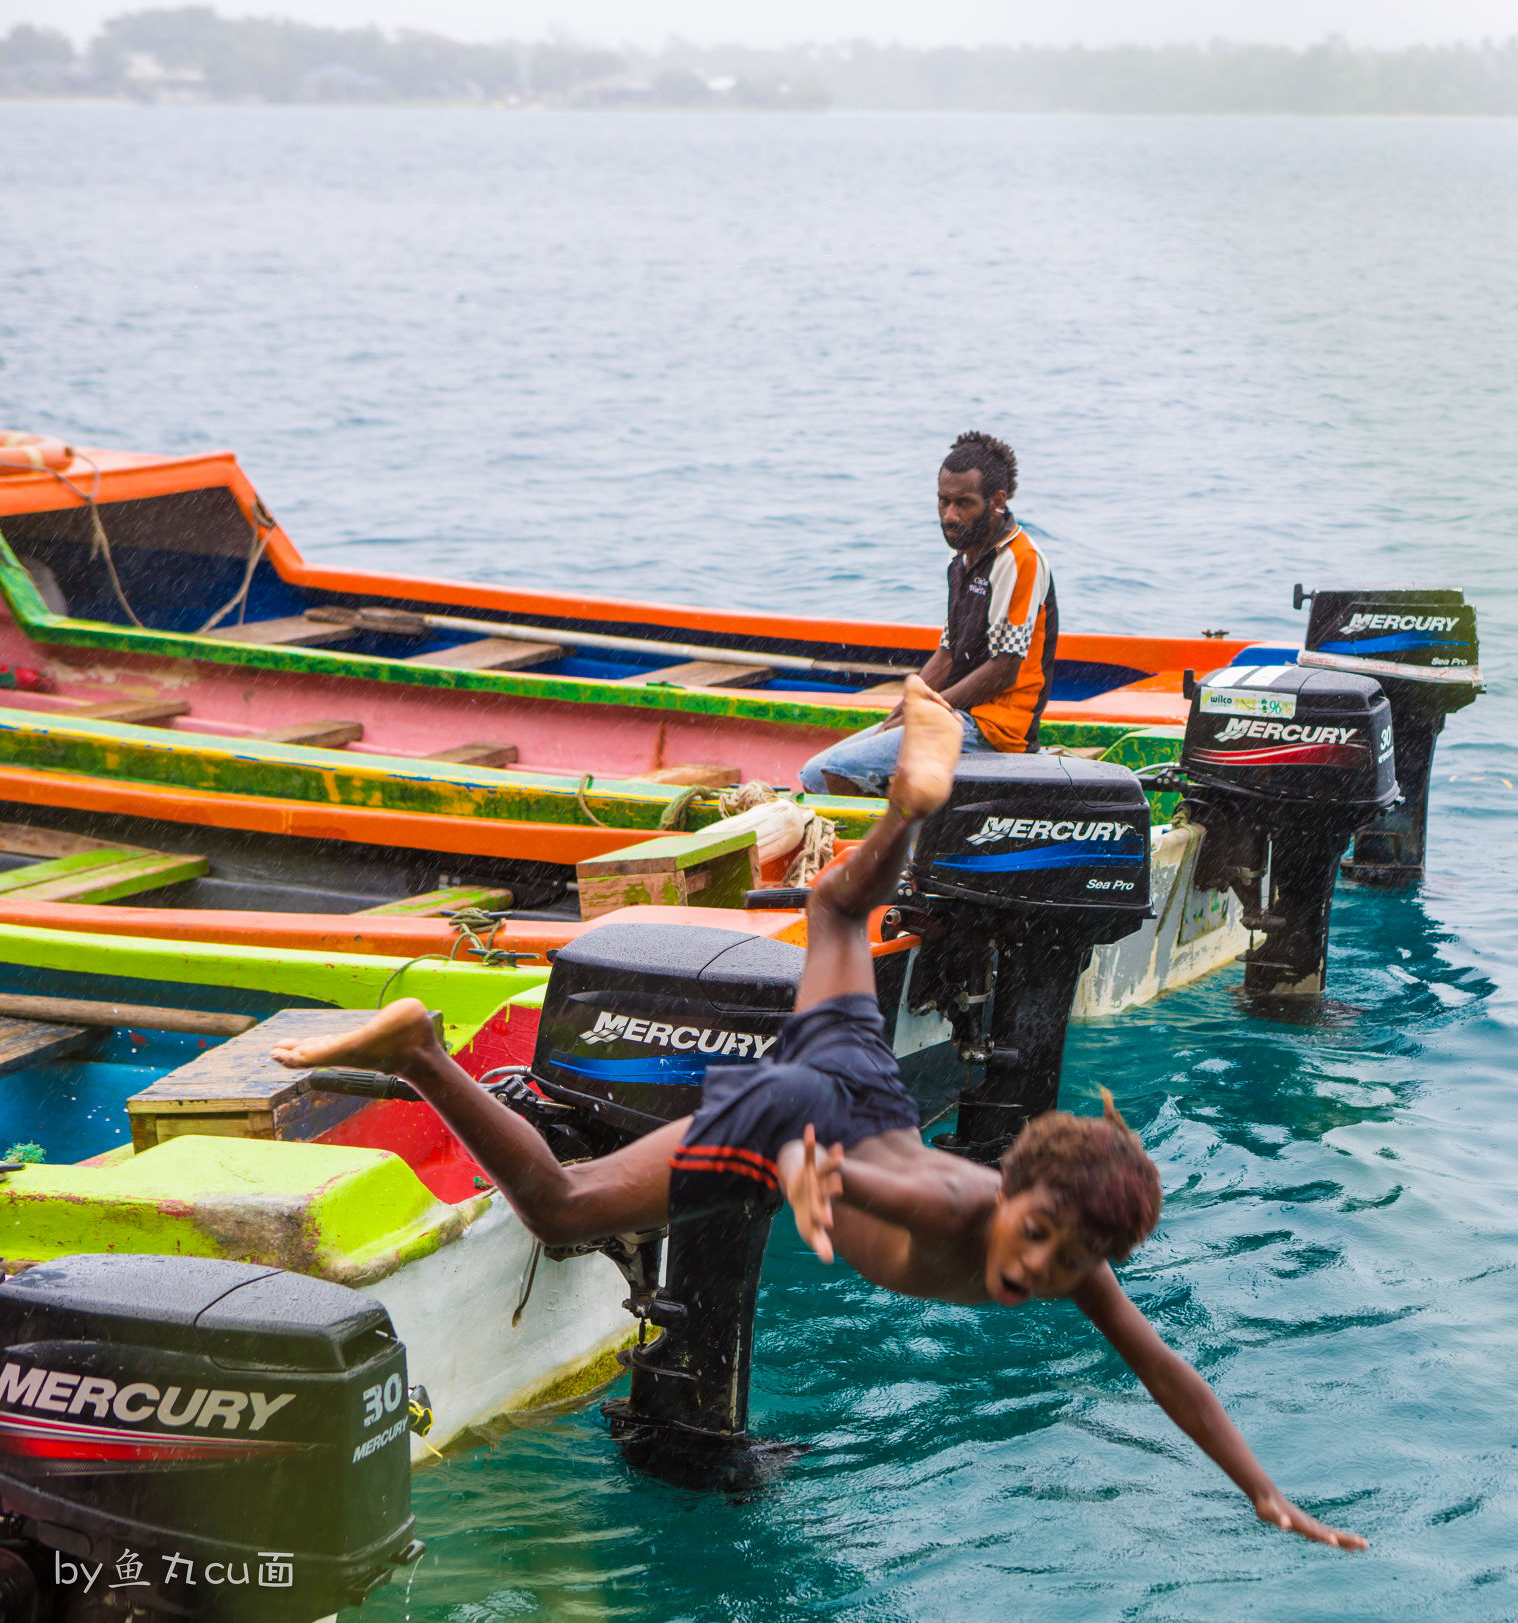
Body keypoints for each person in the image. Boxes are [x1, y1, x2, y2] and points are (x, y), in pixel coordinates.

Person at [270, 677, 1363, 1553]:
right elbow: (837, 1176)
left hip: (865, 1090)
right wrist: (800, 1187)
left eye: (1069, 1256)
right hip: (804, 1113)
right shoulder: (944, 1208)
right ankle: (419, 1048)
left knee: (837, 906)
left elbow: (1169, 1373)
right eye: (1038, 1234)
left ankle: (912, 803)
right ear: (1014, 1193)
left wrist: (1264, 1493)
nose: (1039, 1267)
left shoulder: (1071, 1262)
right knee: (565, 1207)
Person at [806, 431, 1058, 797]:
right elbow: (949, 653)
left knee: (842, 772)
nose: (950, 516)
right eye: (943, 502)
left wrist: (931, 709)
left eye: (964, 504)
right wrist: (901, 711)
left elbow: (1006, 667)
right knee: (816, 775)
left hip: (993, 731)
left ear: (997, 502)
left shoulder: (1020, 560)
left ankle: (894, 849)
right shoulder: (962, 562)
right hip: (954, 714)